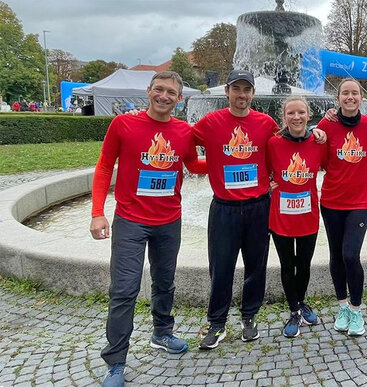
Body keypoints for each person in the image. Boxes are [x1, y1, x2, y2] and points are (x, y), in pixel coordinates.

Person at [193, 70, 326, 349]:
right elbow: (182, 141)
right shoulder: (211, 122)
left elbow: (285, 149)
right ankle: (216, 323)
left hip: (258, 206)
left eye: (247, 90)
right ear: (228, 91)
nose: (242, 95)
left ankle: (249, 317)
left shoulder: (265, 124)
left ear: (253, 94)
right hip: (225, 208)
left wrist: (322, 129)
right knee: (221, 268)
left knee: (256, 267)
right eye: (237, 89)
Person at [90, 71, 206, 387]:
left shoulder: (184, 131)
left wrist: (233, 164)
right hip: (130, 221)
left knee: (165, 282)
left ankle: (162, 333)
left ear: (180, 99)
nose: (164, 96)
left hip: (169, 220)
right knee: (124, 290)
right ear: (149, 91)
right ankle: (115, 362)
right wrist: (97, 213)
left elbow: (193, 165)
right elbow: (104, 166)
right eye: (159, 89)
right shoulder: (124, 124)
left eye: (171, 92)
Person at [318, 78, 367, 336]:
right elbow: (317, 160)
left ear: (361, 99)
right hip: (331, 200)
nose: (350, 97)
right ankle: (342, 305)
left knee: (351, 255)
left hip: (360, 201)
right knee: (336, 255)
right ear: (338, 98)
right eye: (345, 93)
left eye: (354, 93)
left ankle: (356, 309)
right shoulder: (327, 124)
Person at [267, 96, 327, 338]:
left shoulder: (318, 142)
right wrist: (267, 183)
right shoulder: (273, 143)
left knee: (303, 264)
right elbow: (261, 168)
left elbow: (333, 166)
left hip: (308, 214)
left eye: (301, 112)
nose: (296, 117)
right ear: (284, 117)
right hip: (280, 216)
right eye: (291, 113)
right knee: (286, 264)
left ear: (308, 115)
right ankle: (294, 310)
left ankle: (301, 303)